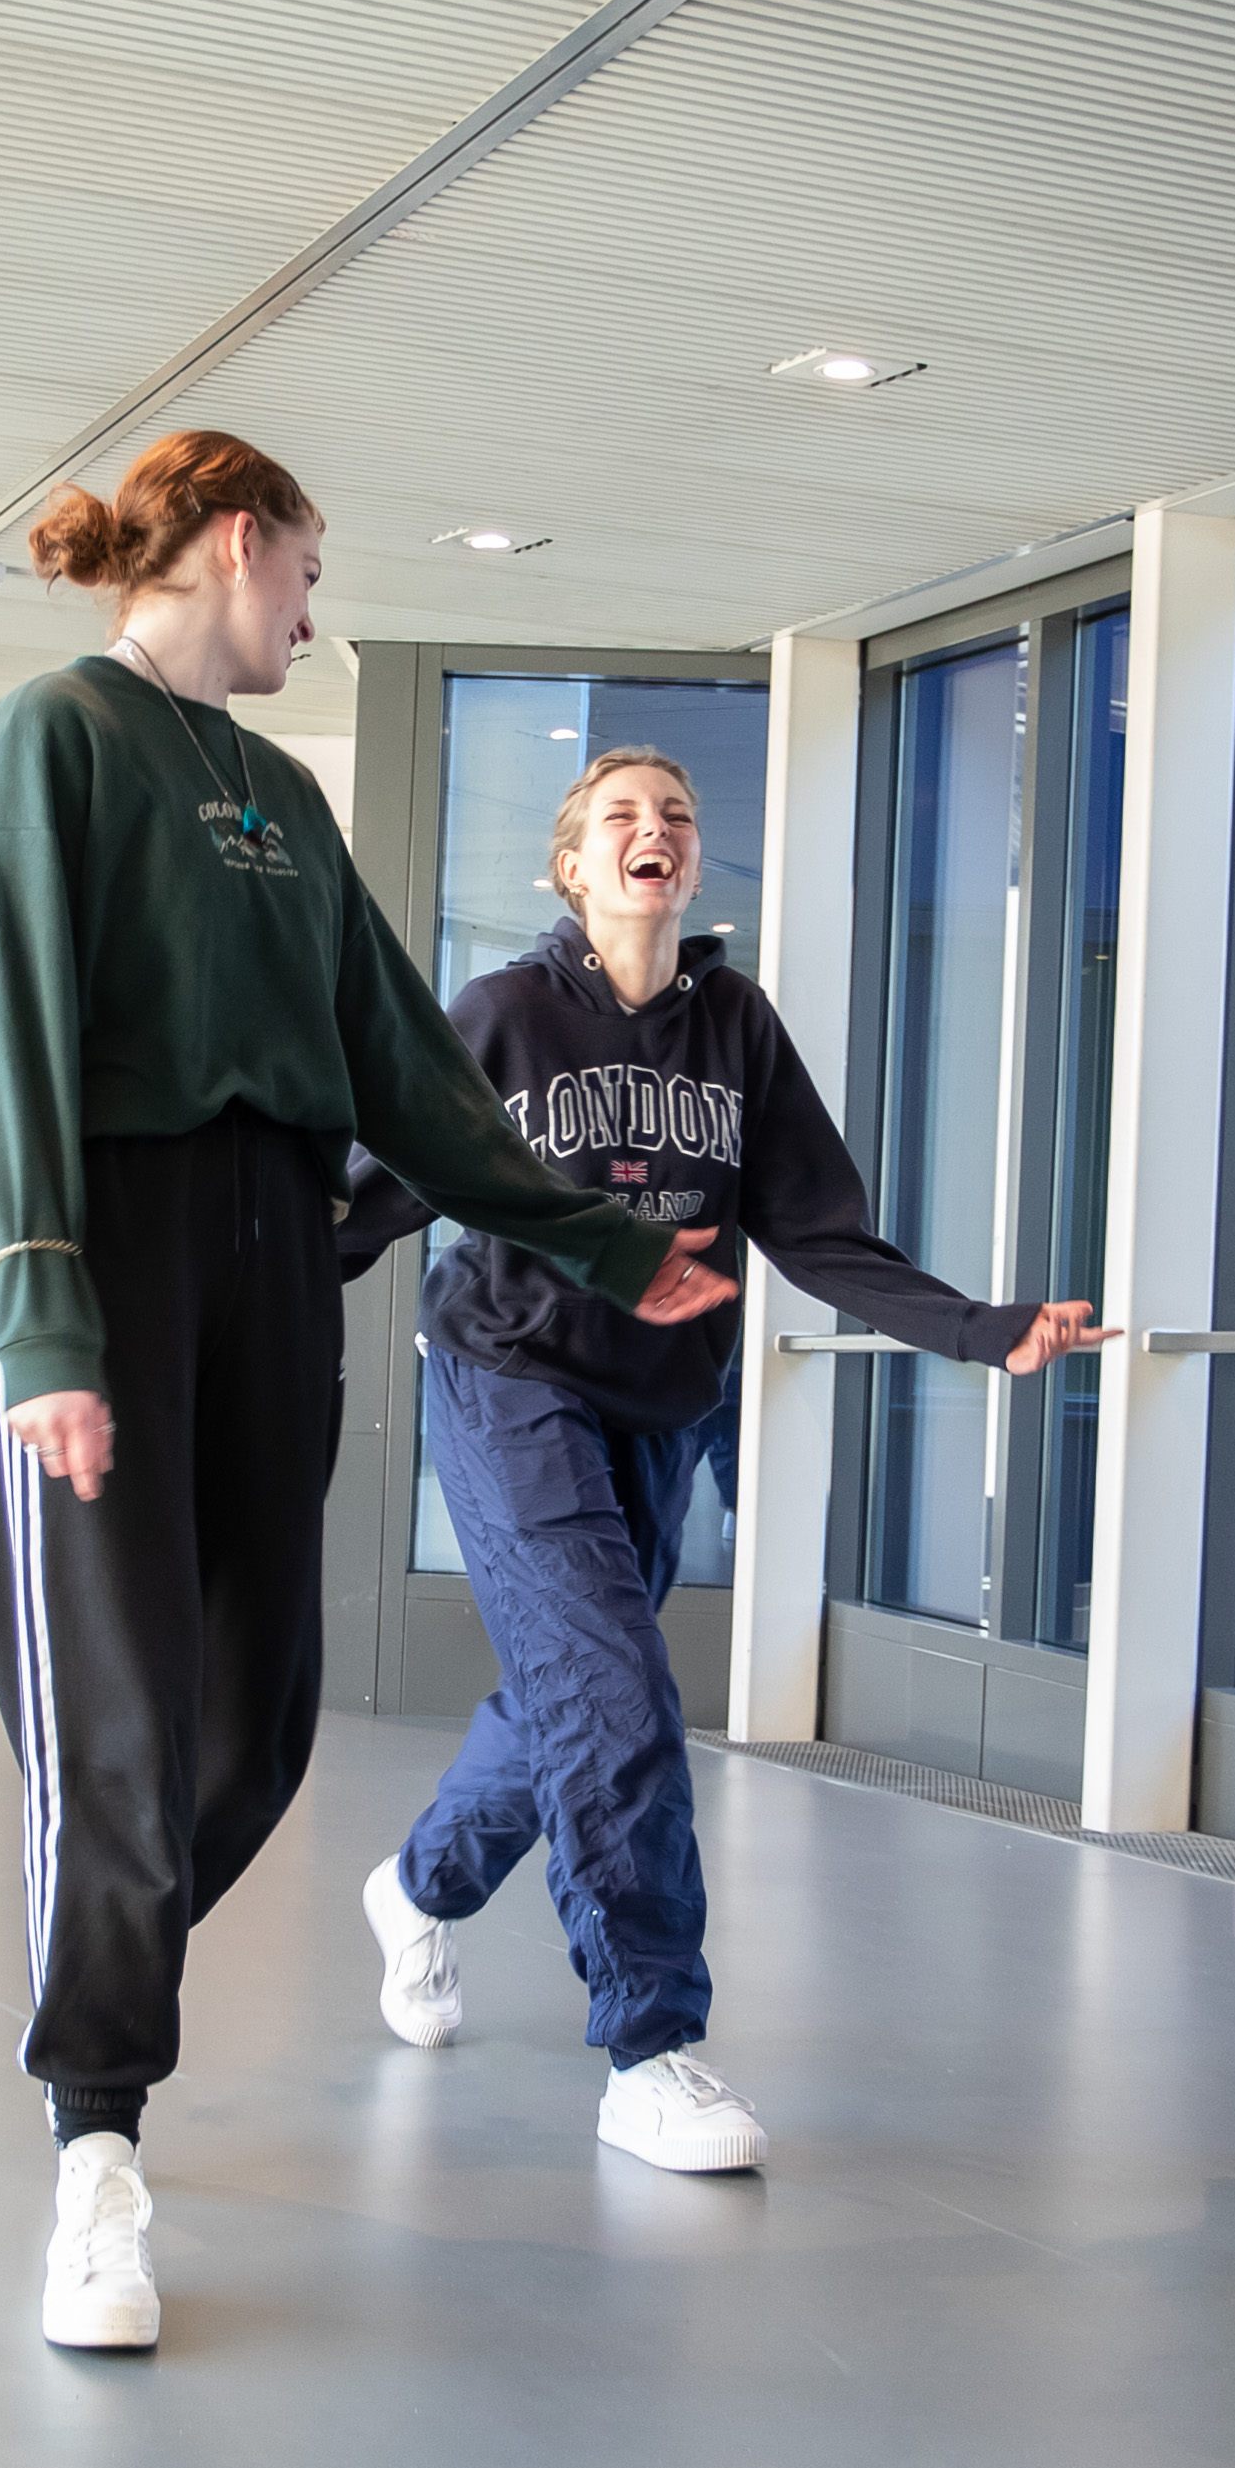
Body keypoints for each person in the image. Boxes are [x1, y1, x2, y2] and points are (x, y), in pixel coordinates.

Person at [0, 435, 737, 2353]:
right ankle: (97, 2146)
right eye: (306, 564)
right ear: (234, 543)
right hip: (102, 1257)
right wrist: (39, 1314)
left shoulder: (283, 795)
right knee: (118, 1732)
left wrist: (611, 1241)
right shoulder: (52, 739)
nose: (313, 602)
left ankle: (89, 1953)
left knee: (261, 1724)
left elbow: (412, 1073)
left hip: (278, 1264)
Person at [340, 747, 1111, 2169]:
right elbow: (385, 1186)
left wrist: (982, 1330)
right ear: (571, 866)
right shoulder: (501, 1014)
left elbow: (820, 1230)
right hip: (509, 1383)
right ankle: (651, 2045)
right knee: (613, 1686)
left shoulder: (737, 1028)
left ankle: (421, 1886)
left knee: (571, 1688)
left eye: (678, 818)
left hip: (658, 1405)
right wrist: (224, 1307)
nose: (657, 832)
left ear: (692, 868)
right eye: (622, 817)